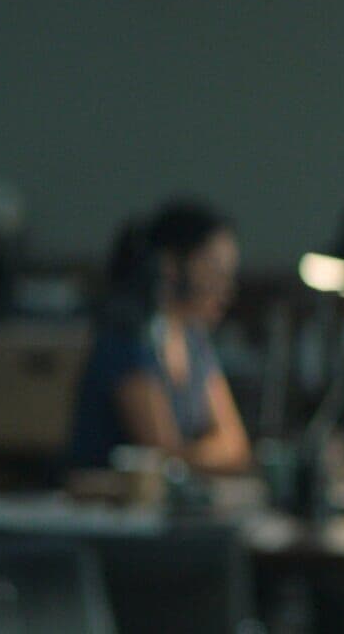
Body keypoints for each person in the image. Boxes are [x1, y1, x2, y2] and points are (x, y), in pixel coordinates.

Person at [68, 199, 251, 474]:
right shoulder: (128, 337)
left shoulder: (195, 341)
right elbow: (162, 451)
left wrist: (186, 457)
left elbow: (236, 446)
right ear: (170, 265)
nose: (225, 288)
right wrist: (205, 452)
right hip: (109, 498)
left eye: (228, 274)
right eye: (214, 268)